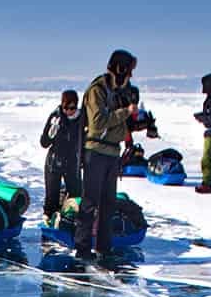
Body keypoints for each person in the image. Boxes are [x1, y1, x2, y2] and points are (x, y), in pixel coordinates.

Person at [77, 49, 145, 259]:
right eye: (129, 70)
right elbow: (97, 123)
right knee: (90, 203)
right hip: (95, 152)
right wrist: (126, 112)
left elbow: (122, 124)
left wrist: (140, 122)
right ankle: (82, 249)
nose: (131, 76)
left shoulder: (121, 92)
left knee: (108, 204)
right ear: (120, 68)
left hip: (112, 154)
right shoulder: (97, 91)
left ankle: (104, 248)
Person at [39, 89, 84, 222]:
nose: (68, 111)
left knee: (76, 194)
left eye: (72, 108)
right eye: (65, 108)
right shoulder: (56, 117)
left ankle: (72, 220)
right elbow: (44, 143)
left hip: (72, 162)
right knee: (51, 196)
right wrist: (50, 133)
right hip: (54, 162)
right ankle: (49, 220)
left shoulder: (82, 119)